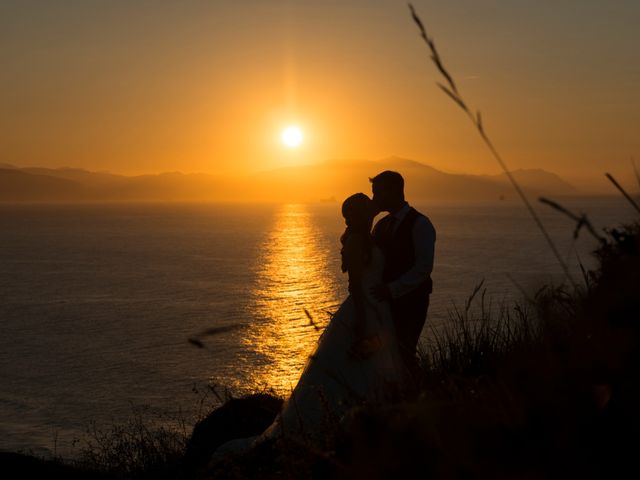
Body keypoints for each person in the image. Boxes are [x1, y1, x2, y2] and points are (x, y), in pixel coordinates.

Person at [211, 193, 406, 459]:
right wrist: (362, 322)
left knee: (370, 367)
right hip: (363, 311)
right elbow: (356, 287)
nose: (374, 205)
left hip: (377, 309)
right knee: (354, 366)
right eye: (367, 206)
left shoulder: (370, 235)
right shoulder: (358, 240)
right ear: (362, 213)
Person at [369, 171, 436, 378]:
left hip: (412, 302)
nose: (374, 199)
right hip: (385, 302)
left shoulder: (421, 224)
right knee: (385, 355)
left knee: (404, 351)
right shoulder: (381, 224)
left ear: (393, 192)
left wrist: (392, 289)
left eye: (377, 193)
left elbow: (423, 268)